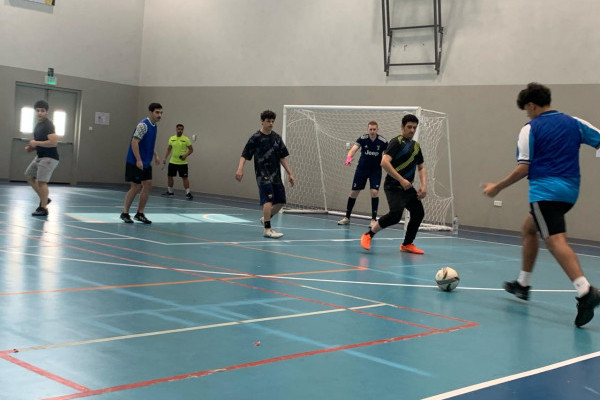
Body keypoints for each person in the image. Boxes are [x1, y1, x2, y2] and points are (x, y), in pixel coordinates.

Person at [483, 82, 600, 327]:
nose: (527, 114)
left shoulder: (530, 129)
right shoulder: (575, 122)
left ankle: (585, 291)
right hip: (570, 191)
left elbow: (524, 168)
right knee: (529, 228)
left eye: (527, 110)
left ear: (532, 105)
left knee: (555, 240)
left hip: (545, 192)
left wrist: (497, 187)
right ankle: (523, 284)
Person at [360, 114, 427, 254]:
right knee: (396, 214)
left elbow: (421, 167)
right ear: (402, 127)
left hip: (407, 188)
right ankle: (368, 235)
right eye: (409, 127)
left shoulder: (416, 146)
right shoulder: (396, 142)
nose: (412, 130)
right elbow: (384, 162)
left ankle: (407, 244)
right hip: (393, 186)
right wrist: (401, 180)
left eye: (414, 127)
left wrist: (424, 186)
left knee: (418, 213)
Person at [235, 110, 295, 238]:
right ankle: (267, 230)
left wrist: (290, 173)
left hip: (276, 175)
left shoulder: (277, 138)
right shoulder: (255, 138)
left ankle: (265, 218)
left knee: (280, 201)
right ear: (262, 121)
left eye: (273, 121)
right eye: (268, 121)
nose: (271, 124)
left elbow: (282, 157)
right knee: (268, 200)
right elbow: (244, 155)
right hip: (262, 175)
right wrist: (240, 169)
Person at [338, 121, 388, 227]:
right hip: (362, 169)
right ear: (367, 129)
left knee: (374, 192)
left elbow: (387, 156)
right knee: (353, 192)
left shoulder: (382, 141)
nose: (372, 131)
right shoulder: (362, 138)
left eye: (374, 129)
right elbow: (353, 150)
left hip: (375, 170)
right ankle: (347, 217)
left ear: (377, 130)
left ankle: (373, 220)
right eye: (370, 129)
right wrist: (348, 159)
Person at [120, 103, 163, 224]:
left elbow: (148, 143)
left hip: (146, 162)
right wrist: (138, 160)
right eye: (157, 112)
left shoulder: (154, 126)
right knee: (136, 187)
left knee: (148, 185)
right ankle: (124, 213)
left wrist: (155, 155)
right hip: (135, 161)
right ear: (150, 112)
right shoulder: (143, 125)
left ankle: (140, 213)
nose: (159, 115)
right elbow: (134, 142)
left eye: (161, 113)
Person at [24, 100, 59, 217]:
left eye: (42, 111)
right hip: (40, 156)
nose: (40, 113)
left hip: (49, 157)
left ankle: (43, 208)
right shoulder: (38, 125)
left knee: (41, 182)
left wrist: (36, 143)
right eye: (38, 111)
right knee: (29, 176)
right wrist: (31, 147)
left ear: (46, 112)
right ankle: (45, 198)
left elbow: (53, 142)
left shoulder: (48, 125)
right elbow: (40, 143)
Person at [161, 124, 194, 200]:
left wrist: (185, 155)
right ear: (176, 129)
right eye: (179, 129)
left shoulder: (186, 139)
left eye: (181, 129)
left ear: (183, 130)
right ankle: (170, 192)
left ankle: (188, 193)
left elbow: (191, 149)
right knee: (170, 176)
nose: (180, 130)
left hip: (182, 163)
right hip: (172, 162)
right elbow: (169, 149)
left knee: (185, 178)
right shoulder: (172, 138)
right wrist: (165, 158)